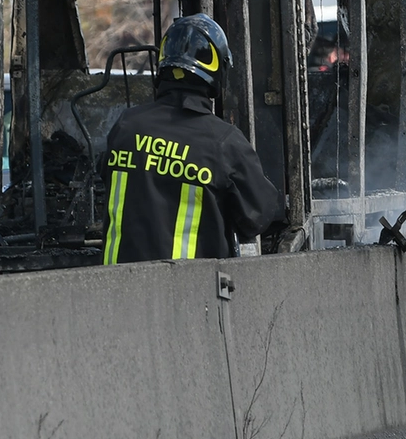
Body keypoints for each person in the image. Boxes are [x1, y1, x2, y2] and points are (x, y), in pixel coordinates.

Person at [100, 14, 284, 263]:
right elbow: (259, 216)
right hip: (188, 294)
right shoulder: (223, 142)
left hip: (113, 290)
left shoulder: (126, 126)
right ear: (218, 71)